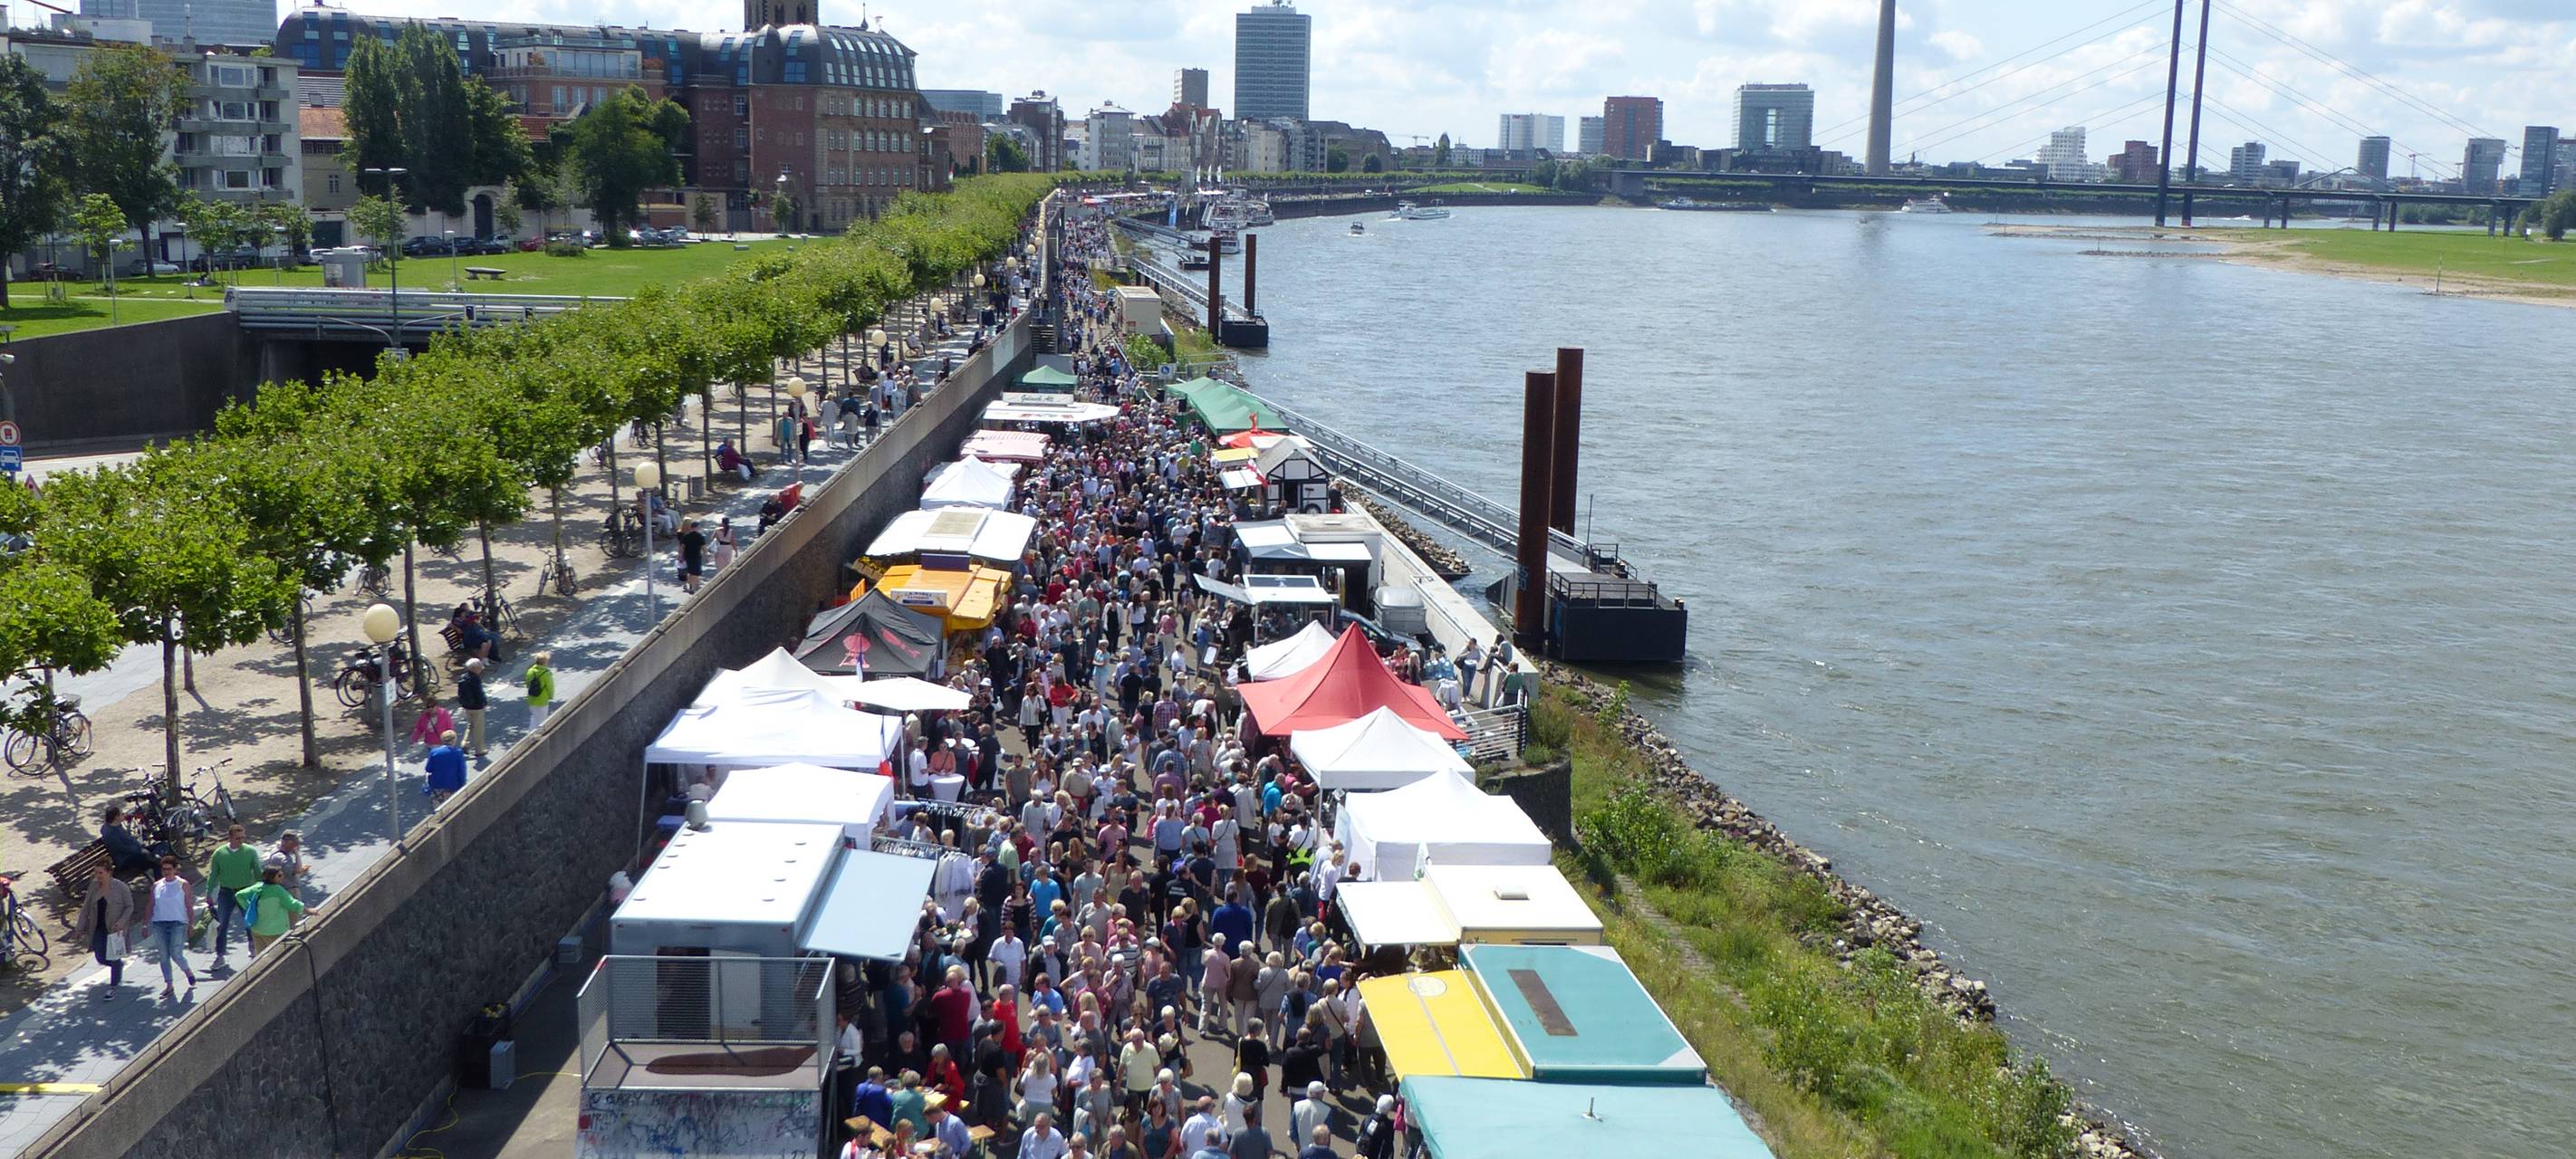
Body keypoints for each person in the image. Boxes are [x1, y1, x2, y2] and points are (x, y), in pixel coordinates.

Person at [69, 861, 132, 999]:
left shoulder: (121, 887)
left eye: (100, 873)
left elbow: (129, 906)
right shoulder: (94, 886)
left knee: (114, 957)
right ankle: (118, 966)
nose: (98, 876)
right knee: (100, 957)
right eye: (96, 872)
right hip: (98, 927)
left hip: (115, 929)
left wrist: (121, 922)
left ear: (109, 872)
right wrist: (79, 928)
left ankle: (113, 986)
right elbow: (86, 908)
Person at [205, 823, 262, 970]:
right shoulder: (219, 853)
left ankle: (253, 946)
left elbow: (257, 872)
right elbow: (213, 875)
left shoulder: (250, 851)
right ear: (230, 837)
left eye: (243, 837)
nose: (241, 841)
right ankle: (220, 956)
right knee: (222, 924)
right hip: (226, 892)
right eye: (238, 838)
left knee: (249, 921)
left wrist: (260, 890)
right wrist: (208, 893)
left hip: (246, 890)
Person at [145, 855, 198, 999]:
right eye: (164, 869)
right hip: (159, 923)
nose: (166, 872)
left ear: (175, 869)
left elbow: (188, 905)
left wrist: (191, 924)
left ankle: (188, 971)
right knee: (163, 955)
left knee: (176, 953)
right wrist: (145, 924)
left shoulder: (183, 884)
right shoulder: (157, 886)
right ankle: (169, 984)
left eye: (169, 869)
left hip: (178, 923)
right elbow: (151, 904)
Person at [237, 867, 304, 954]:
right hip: (274, 931)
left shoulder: (257, 887)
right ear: (271, 877)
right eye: (279, 875)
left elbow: (239, 895)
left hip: (257, 929)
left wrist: (249, 907)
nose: (283, 877)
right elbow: (293, 904)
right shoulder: (278, 890)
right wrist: (309, 910)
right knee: (278, 957)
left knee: (261, 958)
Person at [99, 805, 155, 880]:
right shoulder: (110, 833)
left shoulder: (117, 826)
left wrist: (140, 848)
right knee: (151, 860)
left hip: (133, 854)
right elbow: (122, 848)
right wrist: (139, 850)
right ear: (116, 817)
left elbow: (130, 839)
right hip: (124, 860)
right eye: (122, 814)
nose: (124, 815)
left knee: (157, 847)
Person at [456, 658, 490, 761]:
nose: (481, 669)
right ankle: (479, 750)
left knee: (470, 725)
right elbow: (479, 693)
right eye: (480, 667)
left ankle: (465, 743)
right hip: (477, 707)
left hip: (467, 706)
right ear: (475, 668)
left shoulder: (463, 677)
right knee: (479, 728)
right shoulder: (475, 679)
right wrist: (484, 702)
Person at [424, 730, 468, 805]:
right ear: (453, 740)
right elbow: (462, 772)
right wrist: (463, 785)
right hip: (453, 786)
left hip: (436, 786)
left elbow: (428, 769)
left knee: (438, 810)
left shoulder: (434, 752)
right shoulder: (458, 753)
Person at [523, 651, 556, 730]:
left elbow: (527, 683)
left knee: (535, 716)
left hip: (532, 699)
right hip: (542, 700)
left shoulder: (530, 671)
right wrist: (551, 696)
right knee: (542, 720)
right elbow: (550, 687)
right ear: (545, 662)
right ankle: (538, 736)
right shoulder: (546, 673)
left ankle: (530, 733)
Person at [678, 518, 708, 594]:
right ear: (697, 527)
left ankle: (692, 586)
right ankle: (695, 588)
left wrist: (681, 555)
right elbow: (704, 548)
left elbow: (682, 547)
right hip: (696, 556)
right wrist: (707, 557)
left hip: (688, 556)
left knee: (691, 572)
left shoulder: (686, 536)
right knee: (696, 573)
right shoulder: (700, 537)